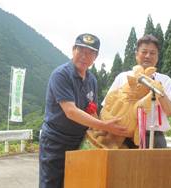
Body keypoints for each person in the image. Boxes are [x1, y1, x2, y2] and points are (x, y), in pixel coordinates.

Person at [39, 33, 129, 188]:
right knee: (52, 183)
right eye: (81, 50)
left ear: (95, 57)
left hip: (80, 141)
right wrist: (105, 126)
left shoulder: (91, 80)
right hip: (56, 142)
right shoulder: (61, 75)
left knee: (76, 182)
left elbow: (91, 109)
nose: (84, 56)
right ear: (73, 50)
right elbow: (71, 111)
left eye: (90, 53)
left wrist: (106, 131)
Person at [104, 34, 171, 148]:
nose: (148, 56)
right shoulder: (123, 77)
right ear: (137, 54)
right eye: (144, 52)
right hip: (123, 136)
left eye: (152, 53)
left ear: (157, 57)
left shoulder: (165, 80)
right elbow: (107, 105)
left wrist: (159, 91)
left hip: (154, 137)